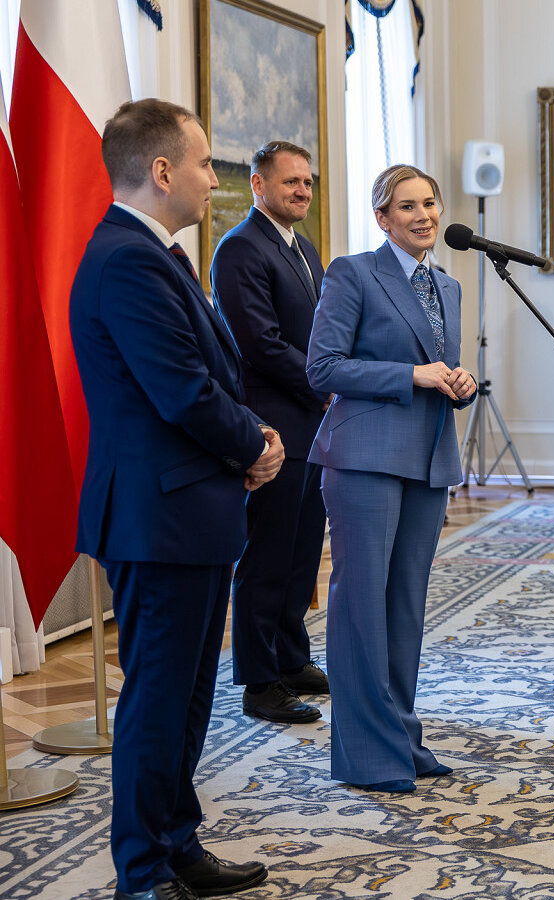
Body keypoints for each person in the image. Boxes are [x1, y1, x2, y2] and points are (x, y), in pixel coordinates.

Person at [72, 98, 281, 900]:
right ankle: (142, 873)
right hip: (157, 517)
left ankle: (177, 844)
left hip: (188, 511)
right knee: (158, 702)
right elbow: (182, 392)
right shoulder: (128, 260)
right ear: (162, 171)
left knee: (188, 698)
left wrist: (249, 436)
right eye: (203, 164)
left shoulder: (152, 254)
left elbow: (205, 379)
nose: (212, 180)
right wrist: (255, 445)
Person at [307, 164, 477, 793]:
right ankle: (366, 755)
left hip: (428, 460)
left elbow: (440, 369)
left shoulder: (447, 286)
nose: (423, 215)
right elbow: (323, 367)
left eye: (429, 203)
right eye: (407, 206)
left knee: (405, 606)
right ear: (383, 217)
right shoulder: (353, 273)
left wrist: (459, 383)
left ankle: (402, 738)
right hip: (365, 459)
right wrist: (412, 376)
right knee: (361, 607)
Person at [210, 140, 328, 726]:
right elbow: (259, 343)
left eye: (307, 182)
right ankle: (259, 681)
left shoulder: (304, 247)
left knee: (302, 551)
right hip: (271, 425)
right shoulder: (239, 248)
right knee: (267, 554)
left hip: (314, 423)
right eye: (290, 182)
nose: (302, 191)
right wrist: (325, 383)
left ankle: (290, 657)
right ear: (258, 185)